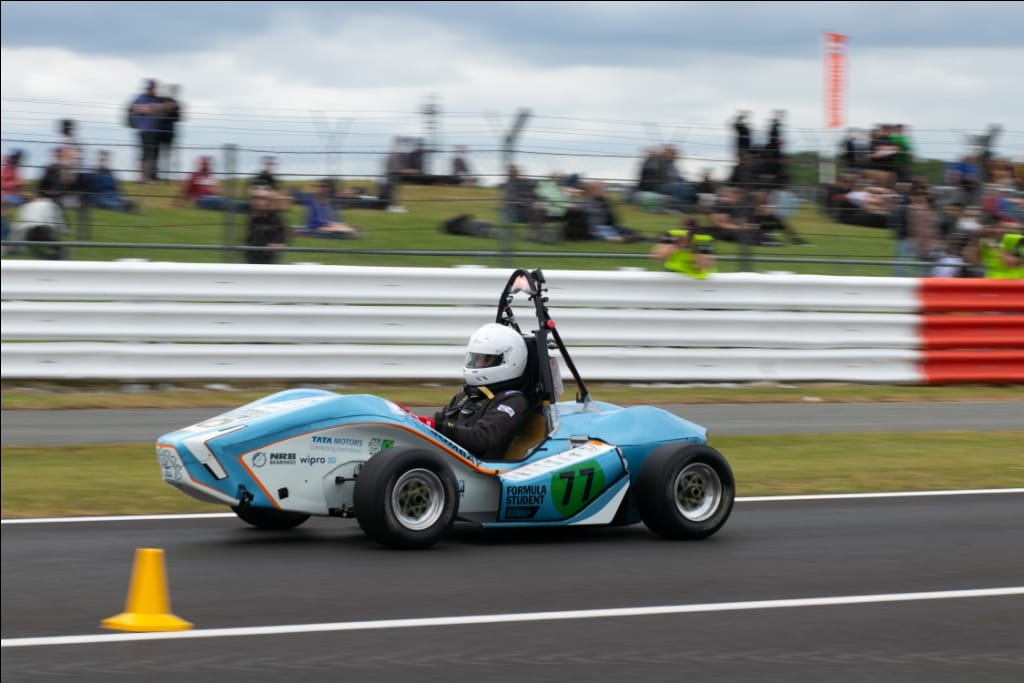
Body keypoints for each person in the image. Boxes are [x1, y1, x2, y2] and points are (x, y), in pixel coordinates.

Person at [433, 323, 533, 459]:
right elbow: (439, 420)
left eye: (486, 359)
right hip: (447, 457)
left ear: (508, 361)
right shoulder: (467, 395)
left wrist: (439, 427)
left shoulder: (513, 400)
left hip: (476, 465)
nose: (477, 365)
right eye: (475, 359)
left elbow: (481, 438)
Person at [650, 221, 717, 279]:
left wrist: (695, 247)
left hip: (698, 278)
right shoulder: (672, 234)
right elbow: (658, 256)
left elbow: (703, 265)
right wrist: (675, 245)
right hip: (672, 274)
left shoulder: (704, 239)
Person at [128, 78, 165, 182]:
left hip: (155, 131)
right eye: (151, 88)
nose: (152, 90)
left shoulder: (156, 98)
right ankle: (142, 178)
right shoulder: (140, 97)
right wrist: (152, 108)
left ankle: (152, 176)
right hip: (144, 131)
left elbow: (162, 109)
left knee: (154, 154)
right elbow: (135, 108)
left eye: (153, 88)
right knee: (145, 155)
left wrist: (150, 108)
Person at [245, 185, 288, 264]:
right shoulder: (255, 216)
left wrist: (278, 243)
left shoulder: (276, 219)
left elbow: (280, 243)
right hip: (252, 258)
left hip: (266, 260)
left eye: (262, 199)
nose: (258, 202)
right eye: (255, 198)